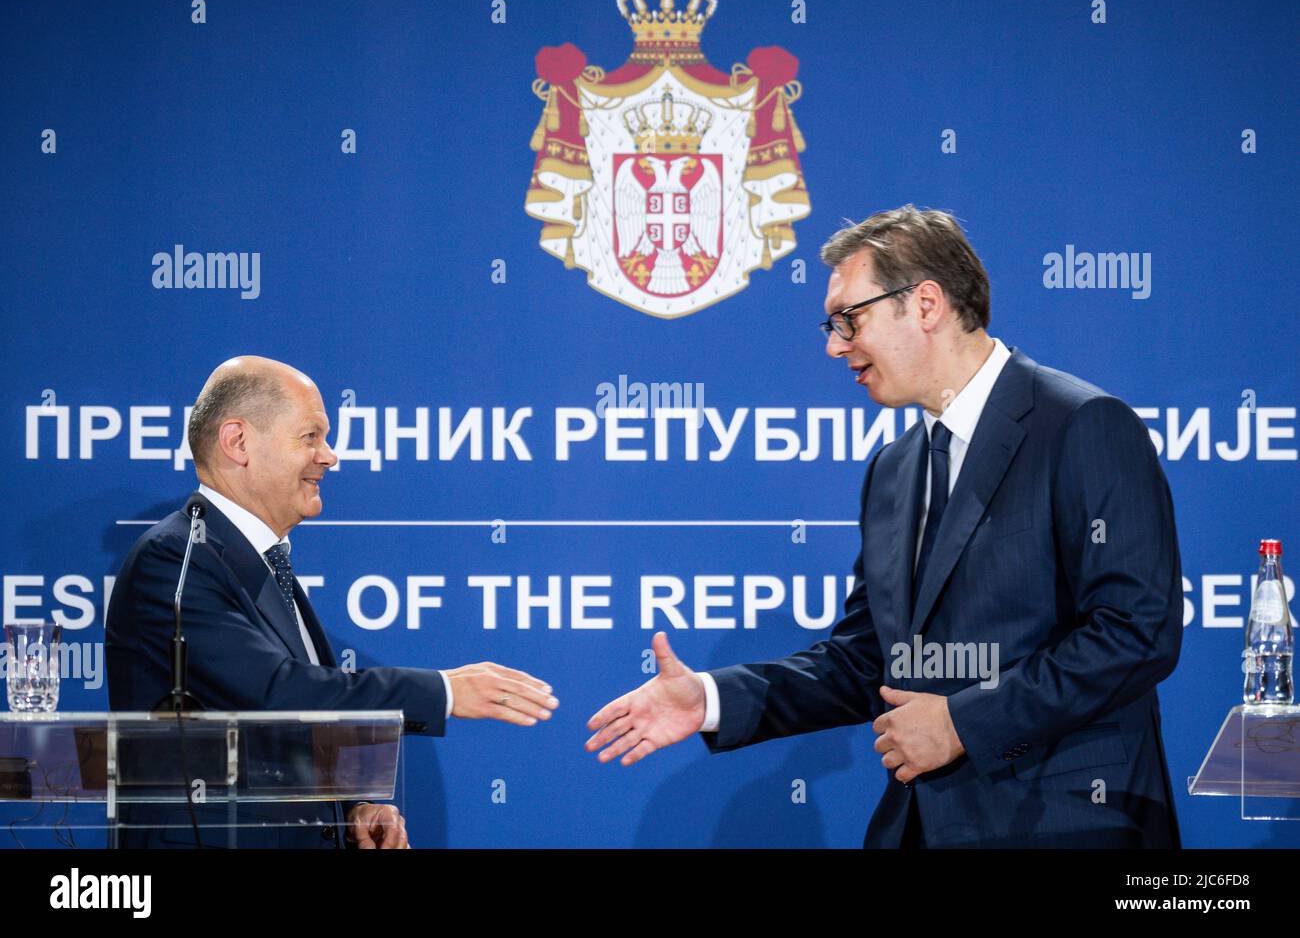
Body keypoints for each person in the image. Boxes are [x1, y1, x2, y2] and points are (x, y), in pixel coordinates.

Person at [585, 205, 1183, 848]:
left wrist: (962, 724)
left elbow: (1136, 632)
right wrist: (708, 699)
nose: (835, 344)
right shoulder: (894, 470)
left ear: (925, 304)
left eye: (850, 318)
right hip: (920, 828)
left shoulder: (1082, 425)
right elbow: (867, 659)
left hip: (1066, 822)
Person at [106, 356, 559, 848]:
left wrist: (349, 806)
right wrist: (444, 691)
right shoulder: (176, 559)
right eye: (310, 436)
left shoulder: (259, 560)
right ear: (238, 442)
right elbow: (277, 695)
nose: (330, 456)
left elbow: (269, 732)